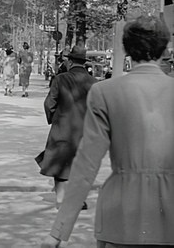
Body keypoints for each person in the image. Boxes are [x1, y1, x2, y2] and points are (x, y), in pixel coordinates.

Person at [42, 15, 174, 248]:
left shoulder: (105, 92)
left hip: (120, 212)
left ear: (127, 49)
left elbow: (86, 165)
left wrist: (58, 231)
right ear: (164, 49)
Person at [35, 45, 96, 209]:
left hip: (62, 127)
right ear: (84, 63)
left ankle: (61, 199)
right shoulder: (94, 83)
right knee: (81, 164)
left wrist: (54, 118)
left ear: (69, 61)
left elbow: (50, 103)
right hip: (84, 129)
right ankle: (78, 199)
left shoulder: (60, 79)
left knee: (59, 162)